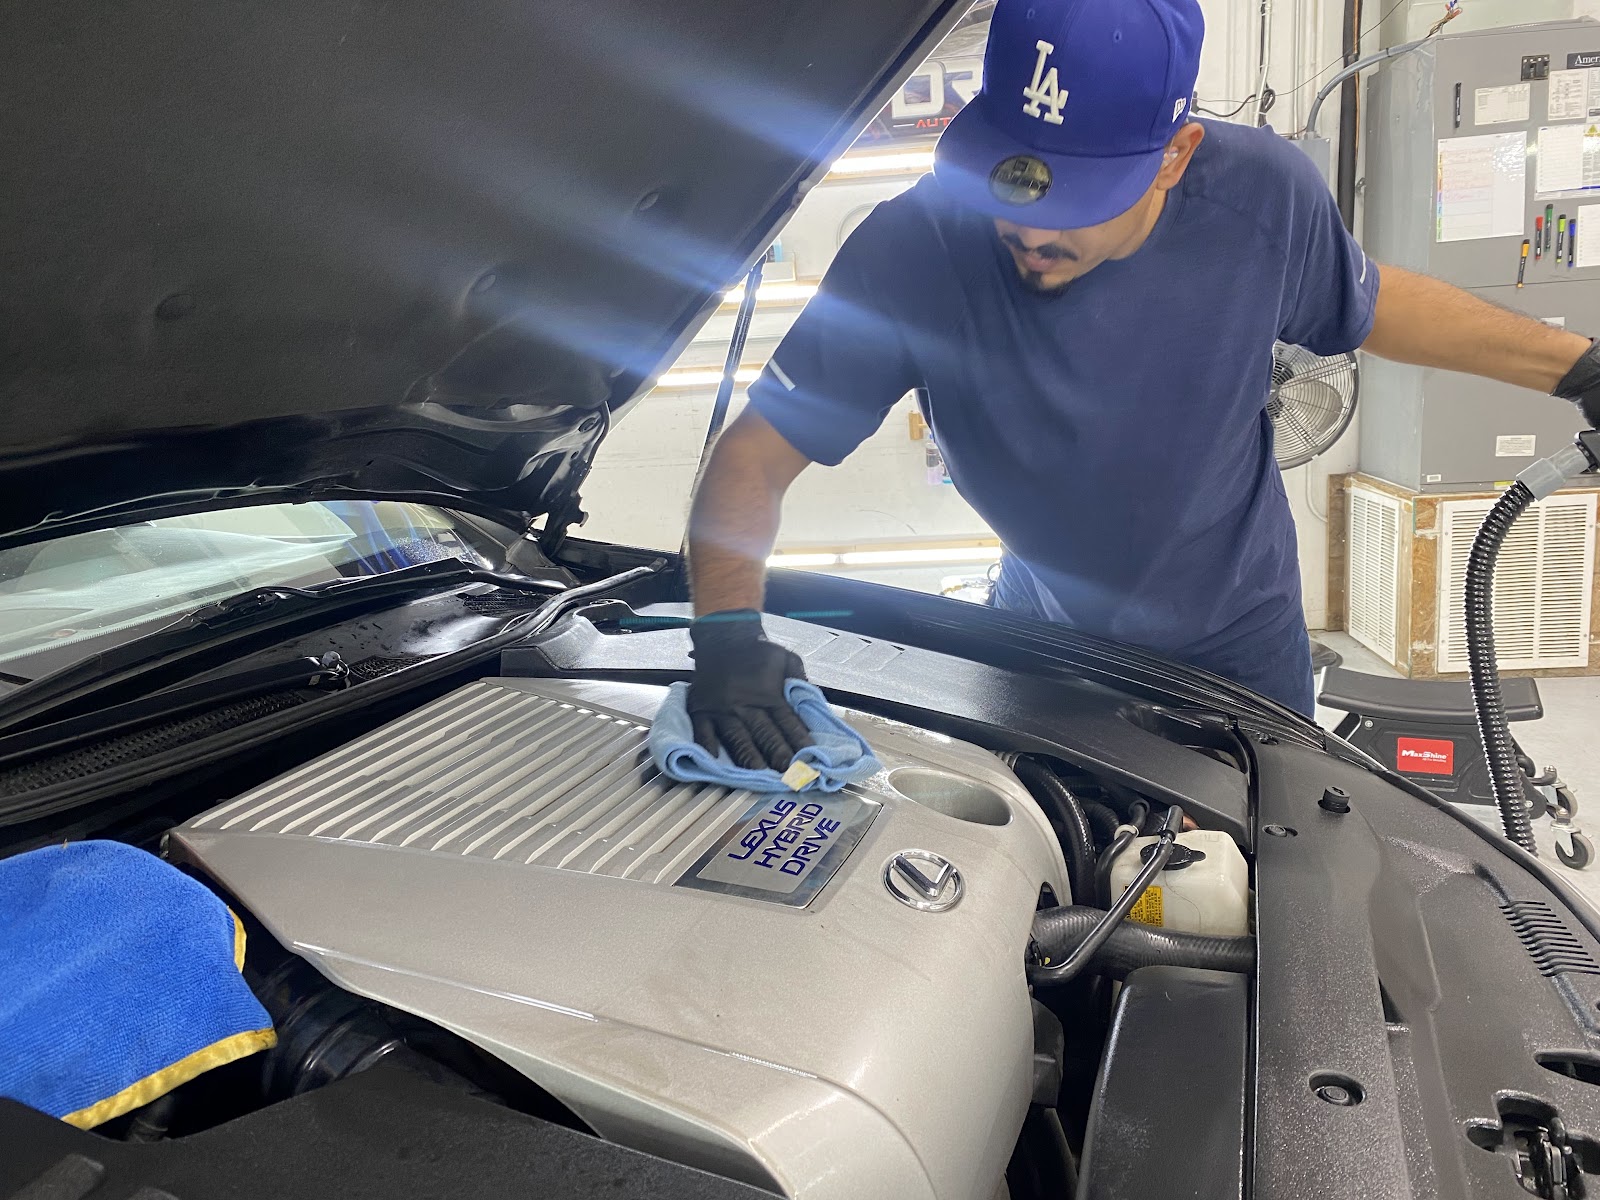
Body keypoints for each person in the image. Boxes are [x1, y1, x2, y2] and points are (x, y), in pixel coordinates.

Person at [682, 0, 1600, 771]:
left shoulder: (1260, 202)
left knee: (1255, 886)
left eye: (1074, 202)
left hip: (1241, 637)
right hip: (1039, 628)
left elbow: (1371, 302)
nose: (1030, 234)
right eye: (1012, 185)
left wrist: (1579, 366)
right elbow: (755, 458)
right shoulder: (916, 246)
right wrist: (727, 634)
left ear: (1175, 153)